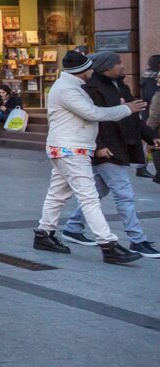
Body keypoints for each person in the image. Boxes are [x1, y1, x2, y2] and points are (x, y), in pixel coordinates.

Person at [33, 49, 146, 264]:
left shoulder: (70, 86)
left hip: (67, 148)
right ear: (81, 71)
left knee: (58, 195)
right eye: (89, 68)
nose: (92, 71)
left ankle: (44, 233)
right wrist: (125, 109)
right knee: (89, 197)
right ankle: (108, 244)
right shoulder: (68, 89)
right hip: (71, 150)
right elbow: (93, 113)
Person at [60, 52, 160, 258]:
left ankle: (72, 227)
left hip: (119, 145)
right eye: (118, 63)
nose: (123, 66)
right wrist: (98, 145)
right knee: (124, 194)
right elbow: (90, 119)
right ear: (106, 67)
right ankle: (137, 239)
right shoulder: (91, 89)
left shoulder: (120, 85)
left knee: (97, 191)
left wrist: (150, 137)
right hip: (107, 149)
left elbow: (133, 114)